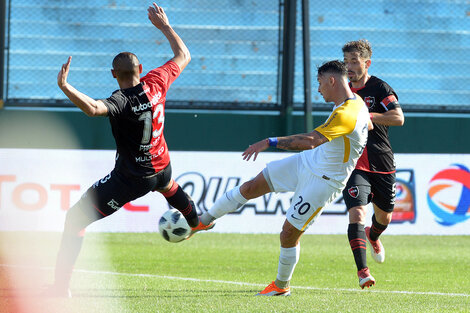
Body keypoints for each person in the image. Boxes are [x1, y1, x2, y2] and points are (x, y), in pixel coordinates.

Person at [47, 3, 213, 297]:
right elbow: (184, 55)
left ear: (114, 74)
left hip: (131, 178)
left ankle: (61, 288)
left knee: (75, 219)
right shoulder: (157, 81)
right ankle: (194, 221)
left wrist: (65, 86)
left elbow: (94, 109)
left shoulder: (120, 101)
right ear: (141, 69)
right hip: (162, 167)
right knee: (169, 187)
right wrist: (164, 27)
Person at [193, 60, 372, 296]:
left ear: (331, 80)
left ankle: (281, 285)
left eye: (320, 83)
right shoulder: (356, 103)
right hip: (307, 162)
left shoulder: (347, 113)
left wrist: (270, 142)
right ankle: (204, 220)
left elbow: (310, 140)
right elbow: (368, 124)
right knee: (251, 186)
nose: (318, 89)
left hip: (324, 181)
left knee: (288, 233)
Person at [342, 39, 405, 289]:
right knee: (357, 213)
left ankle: (374, 235)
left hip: (382, 160)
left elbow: (398, 118)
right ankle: (363, 272)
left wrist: (367, 115)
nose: (349, 66)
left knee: (384, 217)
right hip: (355, 162)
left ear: (367, 63)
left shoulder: (380, 88)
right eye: (346, 61)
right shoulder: (343, 90)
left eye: (354, 61)